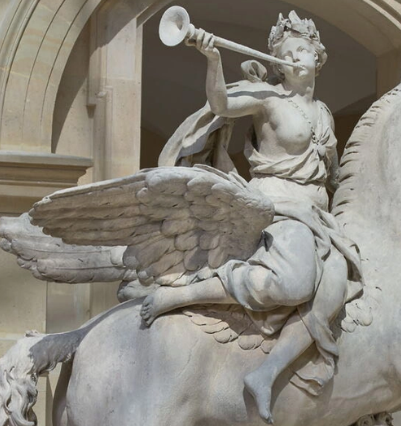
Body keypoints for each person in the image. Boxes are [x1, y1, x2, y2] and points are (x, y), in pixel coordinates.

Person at [141, 11, 362, 423]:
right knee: (294, 283)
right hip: (279, 208)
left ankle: (267, 373)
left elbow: (329, 172)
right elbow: (221, 104)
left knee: (336, 287)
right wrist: (213, 60)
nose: (294, 58)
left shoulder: (324, 113)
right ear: (278, 62)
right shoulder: (267, 97)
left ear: (318, 58)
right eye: (286, 53)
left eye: (302, 50)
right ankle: (185, 294)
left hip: (318, 216)